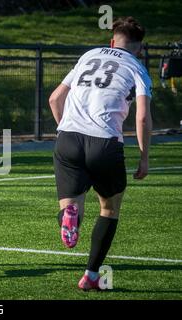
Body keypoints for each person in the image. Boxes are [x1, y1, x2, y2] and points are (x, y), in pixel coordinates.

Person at [48, 16, 152, 290]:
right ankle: (91, 276)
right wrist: (144, 156)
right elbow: (142, 117)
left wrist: (65, 131)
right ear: (138, 48)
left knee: (72, 205)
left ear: (111, 41)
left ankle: (70, 216)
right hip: (104, 144)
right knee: (109, 208)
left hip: (68, 139)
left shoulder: (89, 55)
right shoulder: (137, 68)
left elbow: (54, 98)